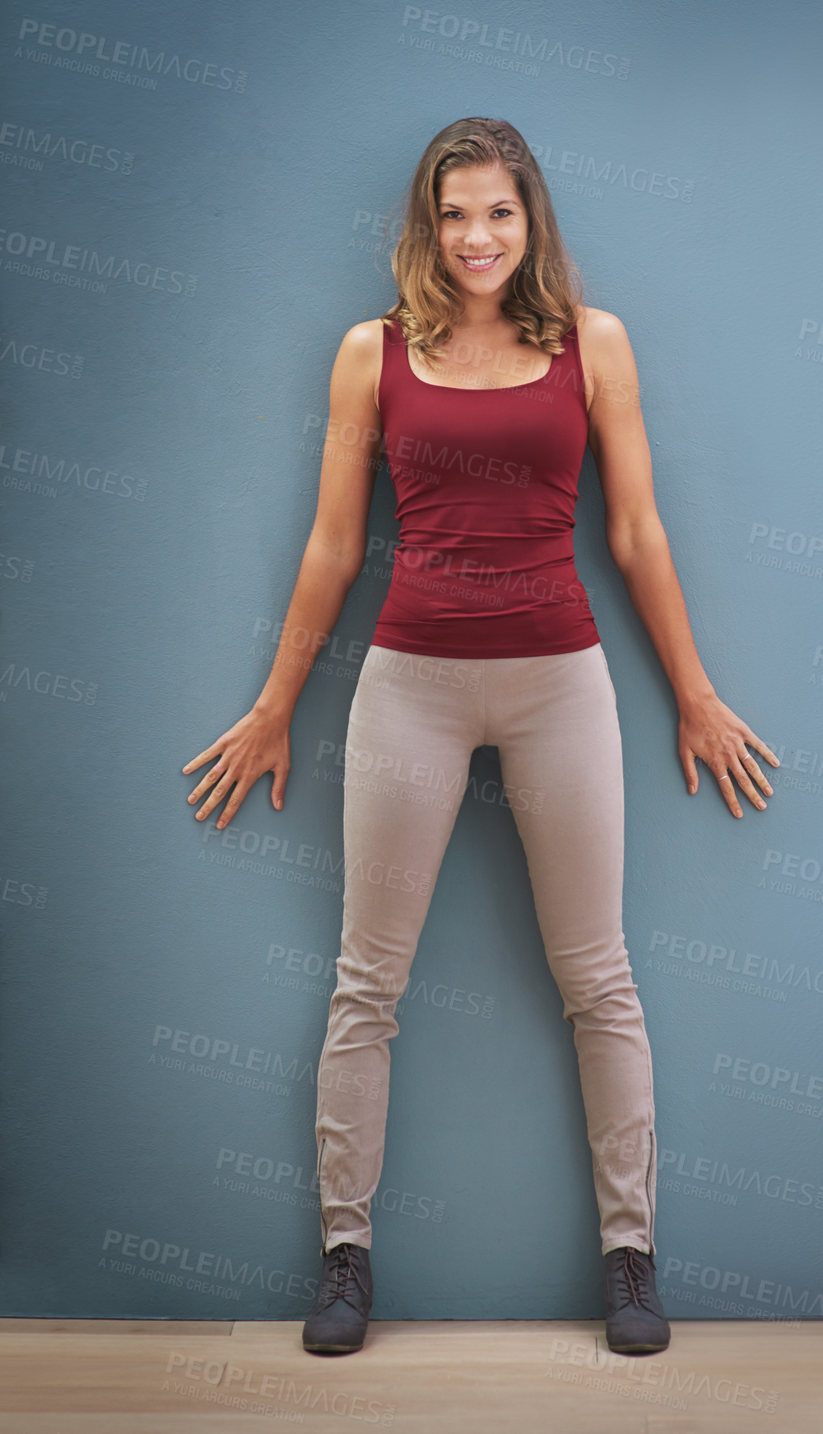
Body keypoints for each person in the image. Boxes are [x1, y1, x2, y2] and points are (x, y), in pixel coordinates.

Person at [180, 117, 778, 1358]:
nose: (475, 237)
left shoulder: (593, 345)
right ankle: (345, 1263)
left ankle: (630, 1260)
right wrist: (276, 702)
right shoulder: (372, 354)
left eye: (498, 212)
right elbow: (335, 547)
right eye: (454, 214)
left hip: (560, 680)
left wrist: (696, 693)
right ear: (426, 223)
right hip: (411, 685)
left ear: (530, 218)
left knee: (598, 981)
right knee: (367, 984)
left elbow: (637, 537)